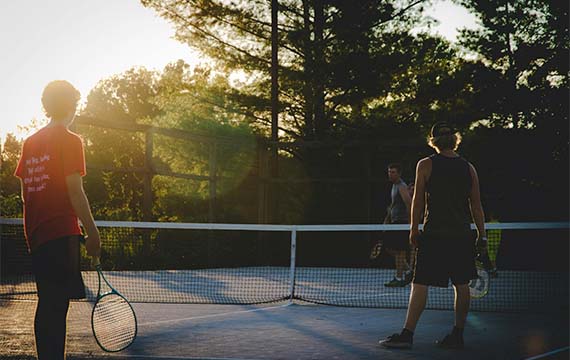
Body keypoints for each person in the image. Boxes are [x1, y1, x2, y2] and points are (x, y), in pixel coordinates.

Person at [379, 121, 488, 349]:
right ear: (454, 140)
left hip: (435, 235)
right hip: (461, 235)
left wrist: (413, 228)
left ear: (434, 141)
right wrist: (482, 235)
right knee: (462, 284)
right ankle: (457, 335)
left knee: (420, 283)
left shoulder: (425, 164)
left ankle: (407, 334)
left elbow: (418, 201)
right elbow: (476, 207)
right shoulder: (469, 168)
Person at [15, 80, 101, 360]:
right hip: (62, 233)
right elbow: (75, 190)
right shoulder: (71, 140)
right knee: (58, 304)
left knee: (46, 302)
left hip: (37, 234)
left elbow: (26, 195)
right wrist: (92, 232)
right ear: (73, 106)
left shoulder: (30, 143)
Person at [382, 163, 413, 287]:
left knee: (400, 251)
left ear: (399, 173)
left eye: (393, 172)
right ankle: (410, 271)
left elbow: (409, 204)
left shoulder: (401, 186)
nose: (390, 174)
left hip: (402, 223)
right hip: (394, 223)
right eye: (389, 172)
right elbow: (393, 206)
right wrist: (386, 220)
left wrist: (411, 224)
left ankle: (399, 278)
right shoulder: (394, 186)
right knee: (390, 249)